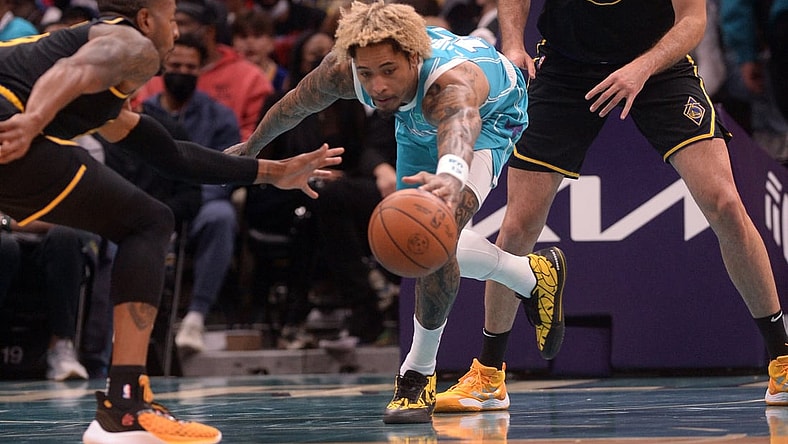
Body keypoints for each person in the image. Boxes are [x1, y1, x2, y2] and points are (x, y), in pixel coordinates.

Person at [0, 0, 343, 442]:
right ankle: (125, 406)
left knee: (144, 218)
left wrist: (276, 172)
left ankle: (125, 404)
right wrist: (32, 121)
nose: (177, 34)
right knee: (146, 221)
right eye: (172, 20)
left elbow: (172, 155)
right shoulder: (130, 44)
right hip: (11, 122)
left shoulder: (97, 89)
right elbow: (76, 69)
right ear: (146, 19)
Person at [434, 0, 788, 415]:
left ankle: (782, 359)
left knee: (725, 203)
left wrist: (641, 67)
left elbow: (692, 20)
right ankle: (489, 376)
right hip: (566, 70)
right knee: (519, 224)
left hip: (657, 67)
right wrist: (513, 45)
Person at [225, 0, 565, 424]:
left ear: (413, 57)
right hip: (417, 124)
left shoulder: (450, 82)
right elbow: (295, 104)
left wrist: (452, 176)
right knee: (422, 242)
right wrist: (251, 149)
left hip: (490, 120)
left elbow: (462, 126)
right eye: (366, 74)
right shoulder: (346, 69)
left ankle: (416, 375)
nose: (377, 86)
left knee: (433, 229)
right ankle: (530, 276)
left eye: (388, 70)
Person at [139, 32, 243, 354]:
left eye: (191, 67)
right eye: (176, 64)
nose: (182, 72)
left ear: (200, 71)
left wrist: (191, 202)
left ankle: (196, 317)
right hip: (150, 203)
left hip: (201, 205)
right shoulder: (141, 115)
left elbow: (227, 171)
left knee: (222, 216)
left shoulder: (220, 116)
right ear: (161, 66)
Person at [132, 0, 274, 140]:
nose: (175, 32)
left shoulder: (250, 77)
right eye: (171, 23)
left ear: (209, 31)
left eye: (182, 23)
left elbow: (259, 137)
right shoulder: (154, 71)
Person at [0, 215, 90, 381]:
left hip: (42, 245)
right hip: (7, 244)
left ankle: (61, 347)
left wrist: (8, 223)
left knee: (65, 236)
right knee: (5, 246)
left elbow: (66, 218)